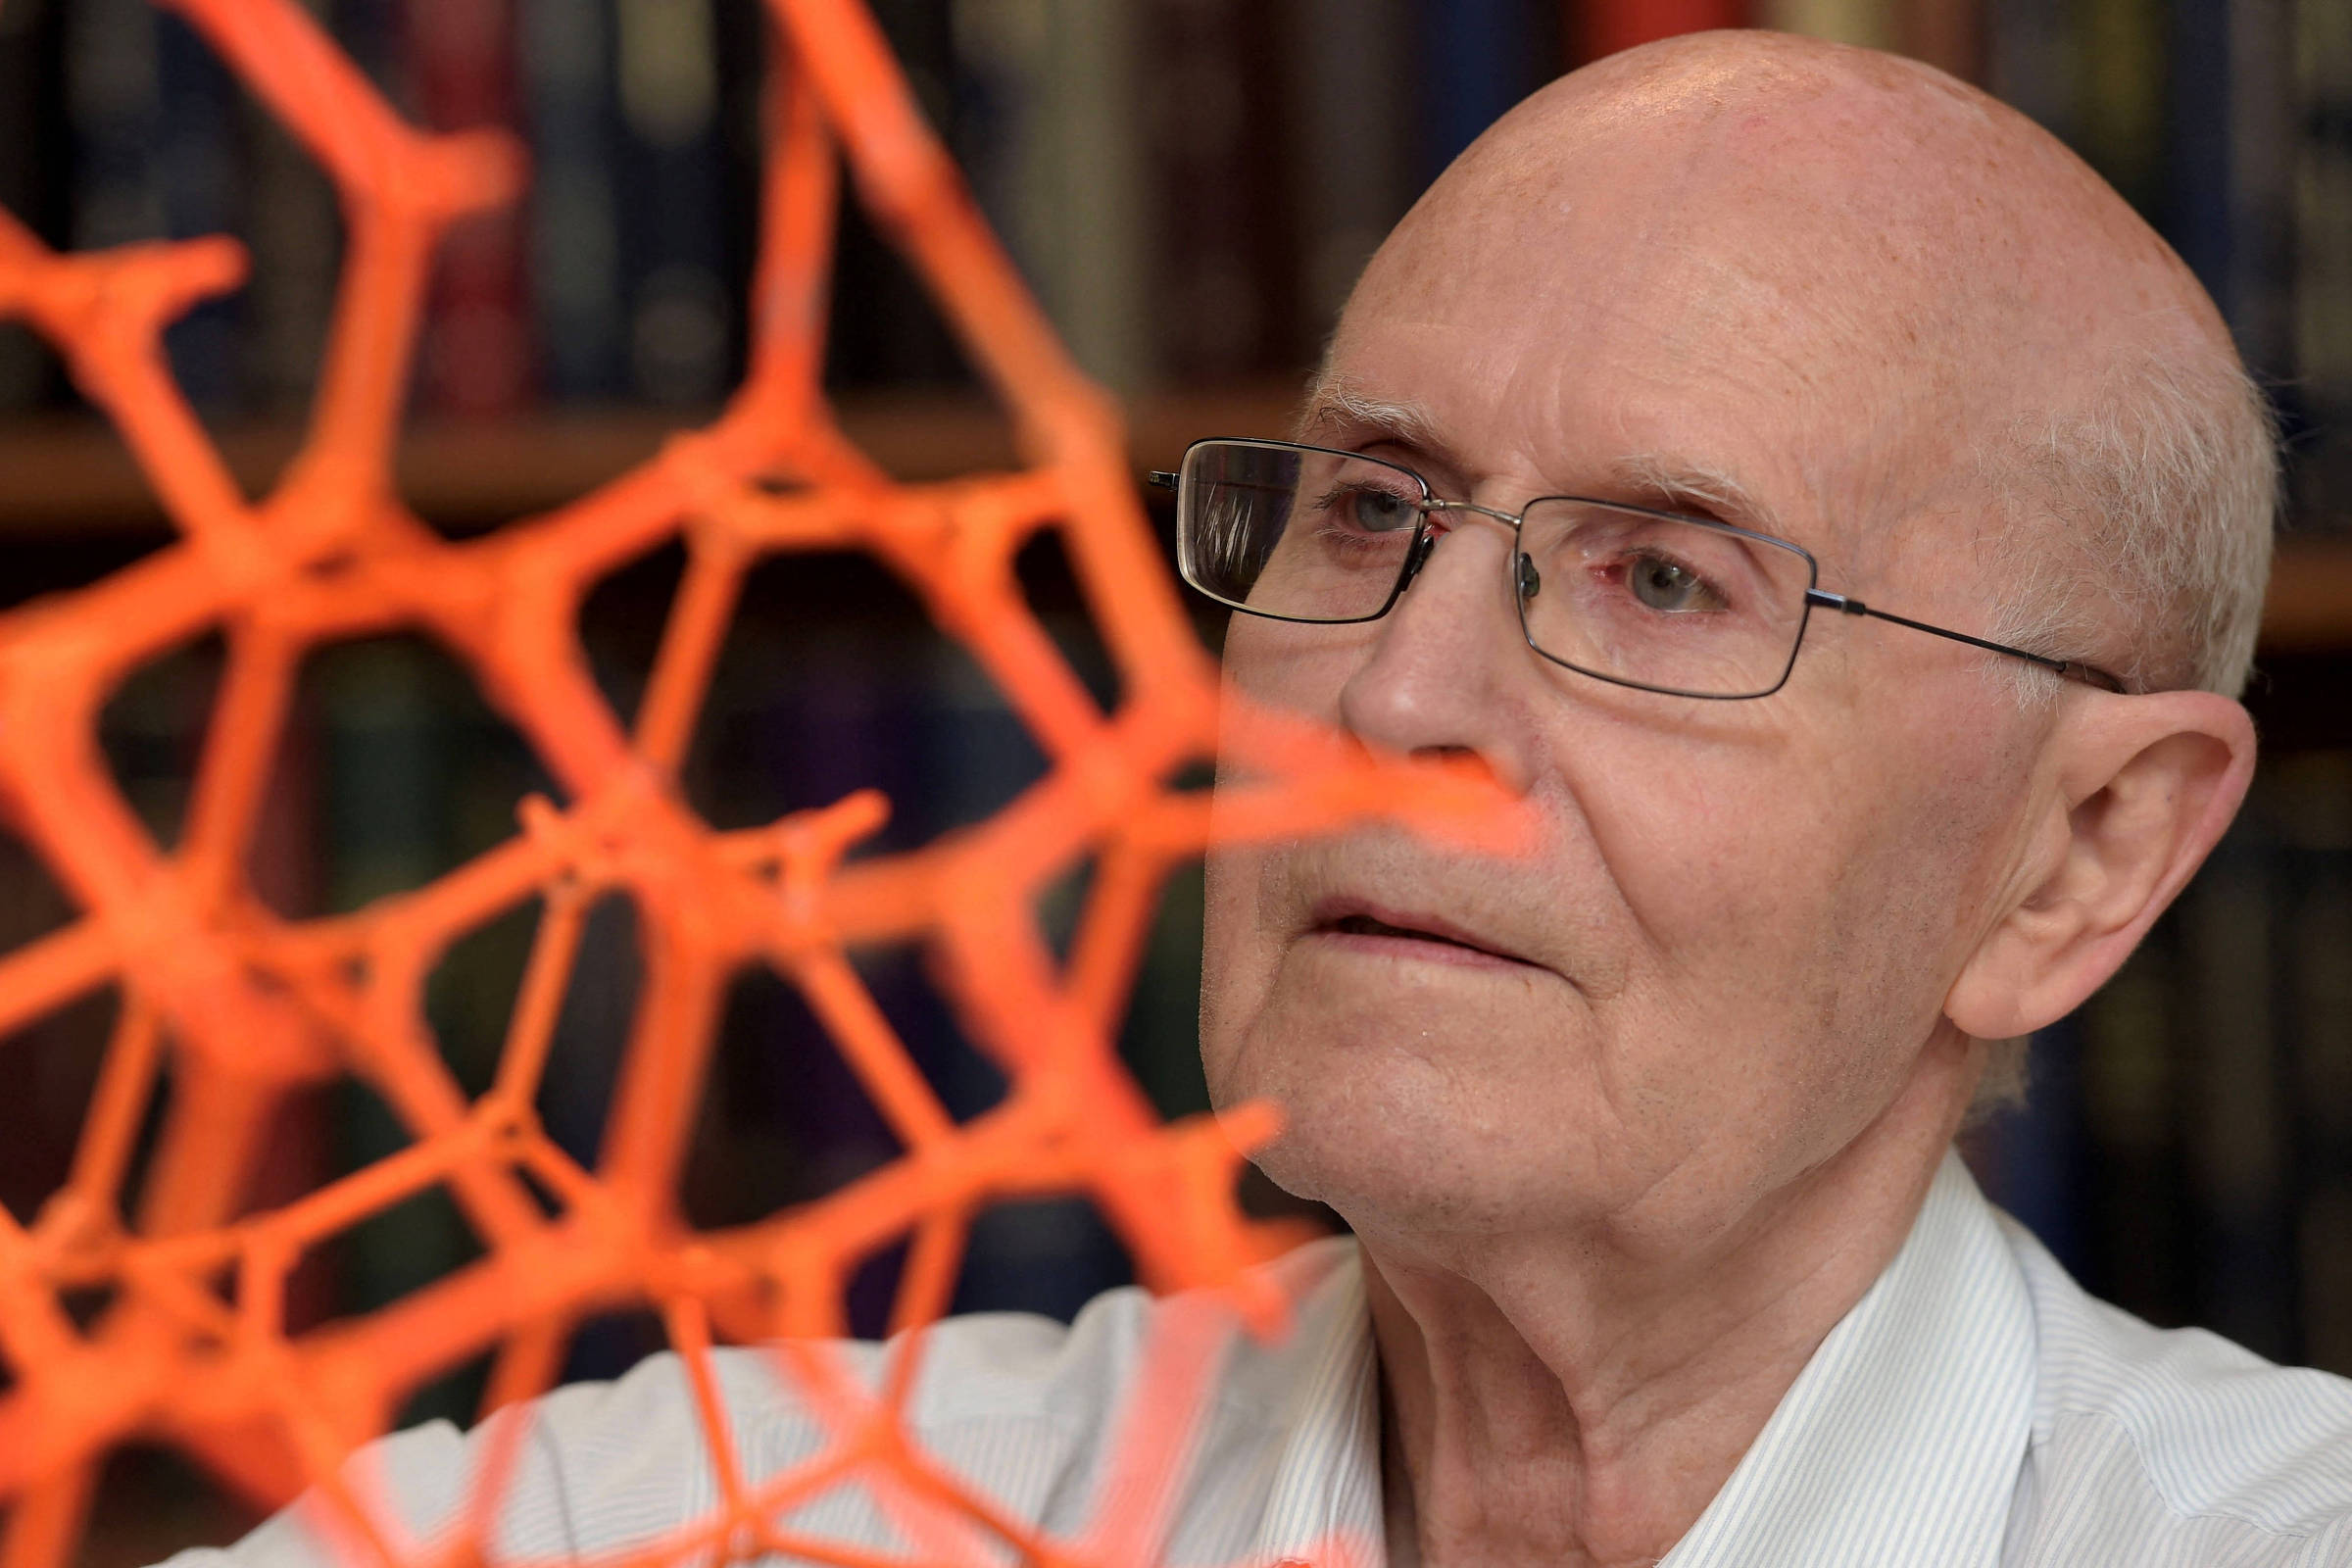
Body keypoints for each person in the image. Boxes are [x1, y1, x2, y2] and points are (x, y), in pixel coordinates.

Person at [171, 27, 2352, 1568]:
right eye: (1370, 506)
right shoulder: (724, 1515)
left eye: (1668, 577)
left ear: (2082, 858)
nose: (1397, 686)